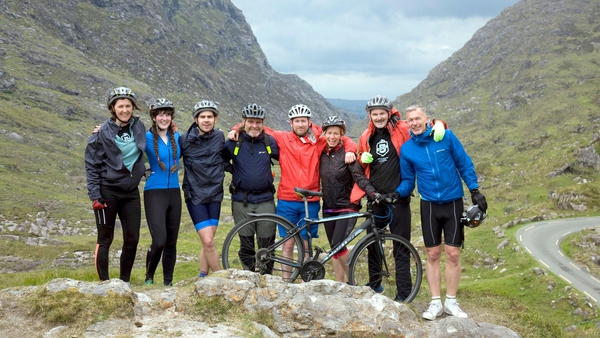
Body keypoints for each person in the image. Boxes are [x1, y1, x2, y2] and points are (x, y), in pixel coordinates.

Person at [229, 104, 357, 280]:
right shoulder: (281, 138)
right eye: (296, 121)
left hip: (310, 200)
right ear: (291, 123)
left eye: (303, 121)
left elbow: (343, 138)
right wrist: (236, 128)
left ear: (309, 122)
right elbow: (257, 127)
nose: (300, 124)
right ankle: (285, 282)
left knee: (305, 244)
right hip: (286, 199)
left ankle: (306, 282)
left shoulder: (319, 139)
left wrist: (350, 150)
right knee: (288, 244)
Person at [393, 104, 487, 320]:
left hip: (453, 202)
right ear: (407, 123)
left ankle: (451, 302)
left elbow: (464, 163)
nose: (414, 123)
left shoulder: (446, 137)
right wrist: (397, 193)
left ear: (427, 119)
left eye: (418, 118)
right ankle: (435, 303)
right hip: (428, 206)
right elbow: (408, 180)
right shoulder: (407, 150)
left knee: (453, 254)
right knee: (433, 254)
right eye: (410, 120)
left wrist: (474, 190)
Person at [349, 95, 445, 301]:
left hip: (398, 199)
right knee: (373, 244)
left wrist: (439, 124)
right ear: (370, 115)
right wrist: (360, 158)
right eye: (375, 114)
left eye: (382, 113)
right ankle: (374, 285)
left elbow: (423, 126)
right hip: (375, 198)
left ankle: (404, 293)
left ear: (389, 113)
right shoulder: (366, 136)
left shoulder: (401, 128)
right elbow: (361, 162)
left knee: (401, 246)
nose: (379, 117)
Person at [85, 86, 146, 283]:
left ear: (133, 107)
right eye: (120, 106)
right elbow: (91, 165)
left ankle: (124, 283)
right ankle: (104, 283)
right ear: (113, 108)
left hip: (130, 192)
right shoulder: (101, 132)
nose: (125, 110)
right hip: (107, 191)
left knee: (132, 239)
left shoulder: (139, 126)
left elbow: (160, 129)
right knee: (105, 239)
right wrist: (95, 195)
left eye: (128, 106)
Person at [319, 116, 380, 282]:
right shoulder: (322, 154)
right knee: (334, 248)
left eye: (336, 133)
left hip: (347, 207)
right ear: (324, 134)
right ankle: (339, 285)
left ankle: (351, 282)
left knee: (338, 244)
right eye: (329, 133)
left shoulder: (348, 154)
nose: (332, 137)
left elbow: (359, 177)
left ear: (341, 135)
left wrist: (372, 193)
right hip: (328, 207)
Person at [223, 104, 279, 273]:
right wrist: (235, 171)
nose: (254, 125)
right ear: (244, 122)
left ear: (263, 123)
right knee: (246, 243)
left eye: (258, 122)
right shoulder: (234, 142)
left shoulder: (270, 141)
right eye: (251, 122)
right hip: (242, 201)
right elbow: (221, 159)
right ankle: (249, 276)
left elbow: (286, 157)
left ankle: (267, 276)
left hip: (265, 200)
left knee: (267, 244)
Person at [180, 100, 230, 278]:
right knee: (208, 241)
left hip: (215, 195)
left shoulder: (219, 137)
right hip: (195, 196)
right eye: (203, 117)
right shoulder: (184, 139)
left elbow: (225, 158)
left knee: (207, 241)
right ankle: (220, 279)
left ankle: (203, 276)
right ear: (196, 119)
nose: (206, 120)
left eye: (210, 117)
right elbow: (167, 151)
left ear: (215, 119)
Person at [143, 98, 182, 286]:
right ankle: (149, 277)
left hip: (174, 192)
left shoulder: (177, 137)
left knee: (171, 242)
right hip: (154, 192)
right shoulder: (145, 137)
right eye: (160, 114)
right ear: (154, 117)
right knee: (159, 240)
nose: (164, 118)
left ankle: (168, 282)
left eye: (167, 114)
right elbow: (124, 148)